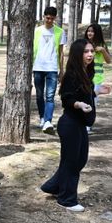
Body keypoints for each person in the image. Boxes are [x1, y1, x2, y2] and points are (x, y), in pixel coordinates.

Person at [40, 39, 98, 212]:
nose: (90, 54)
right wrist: (79, 105)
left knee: (79, 159)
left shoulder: (86, 72)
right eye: (86, 51)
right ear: (77, 54)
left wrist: (96, 92)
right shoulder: (72, 75)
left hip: (80, 124)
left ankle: (54, 186)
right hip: (70, 124)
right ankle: (67, 199)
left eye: (92, 51)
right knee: (71, 162)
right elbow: (67, 98)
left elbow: (82, 93)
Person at [33, 7, 66, 135]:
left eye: (52, 18)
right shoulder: (36, 31)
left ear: (55, 18)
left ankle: (48, 121)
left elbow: (61, 53)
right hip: (38, 67)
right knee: (39, 95)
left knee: (50, 96)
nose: (49, 20)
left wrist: (62, 70)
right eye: (47, 18)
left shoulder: (60, 32)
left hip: (52, 68)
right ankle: (42, 117)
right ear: (43, 16)